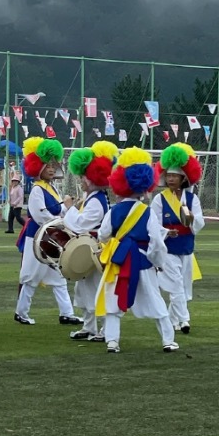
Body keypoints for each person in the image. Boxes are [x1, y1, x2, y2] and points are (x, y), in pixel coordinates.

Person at [96, 147, 179, 354]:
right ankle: (168, 340)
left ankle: (112, 342)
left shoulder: (114, 211)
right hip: (142, 261)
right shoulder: (147, 211)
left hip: (120, 261)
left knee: (114, 301)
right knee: (155, 300)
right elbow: (156, 242)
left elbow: (103, 234)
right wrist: (157, 262)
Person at [14, 137, 80, 327]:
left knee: (58, 277)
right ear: (38, 167)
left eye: (53, 165)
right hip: (37, 237)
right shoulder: (37, 189)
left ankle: (66, 313)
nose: (51, 168)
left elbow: (58, 212)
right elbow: (40, 215)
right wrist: (65, 213)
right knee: (31, 276)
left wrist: (67, 209)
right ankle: (21, 312)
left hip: (50, 236)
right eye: (47, 165)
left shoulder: (51, 188)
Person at [63, 142, 118, 342]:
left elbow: (79, 224)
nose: (81, 180)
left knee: (95, 288)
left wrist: (69, 208)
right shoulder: (93, 198)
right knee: (83, 288)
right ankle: (89, 326)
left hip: (94, 250)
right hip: (88, 248)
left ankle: (103, 329)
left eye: (83, 176)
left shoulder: (96, 201)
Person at [151, 143, 205, 335]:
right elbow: (154, 224)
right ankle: (184, 320)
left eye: (175, 176)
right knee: (175, 286)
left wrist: (190, 219)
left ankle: (172, 320)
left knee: (182, 287)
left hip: (187, 247)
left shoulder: (192, 200)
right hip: (168, 248)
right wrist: (166, 232)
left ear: (183, 178)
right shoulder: (159, 199)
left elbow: (199, 222)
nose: (171, 179)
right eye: (169, 175)